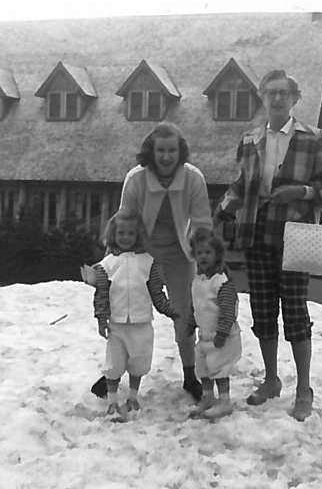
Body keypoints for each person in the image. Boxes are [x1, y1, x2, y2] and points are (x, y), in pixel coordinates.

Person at [214, 69, 322, 421]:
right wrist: (221, 212)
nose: (278, 99)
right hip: (257, 235)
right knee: (264, 313)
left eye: (284, 93)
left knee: (295, 313)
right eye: (271, 93)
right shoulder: (250, 140)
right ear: (262, 98)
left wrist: (301, 191)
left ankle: (303, 389)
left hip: (296, 237)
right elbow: (241, 186)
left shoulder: (313, 138)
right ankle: (271, 380)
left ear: (295, 98)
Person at [91, 122, 213, 401]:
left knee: (184, 314)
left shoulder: (194, 179)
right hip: (141, 253)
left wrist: (204, 252)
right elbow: (124, 221)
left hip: (180, 254)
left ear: (180, 151)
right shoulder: (136, 179)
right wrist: (112, 261)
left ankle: (190, 374)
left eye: (172, 150)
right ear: (151, 151)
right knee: (126, 312)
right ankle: (113, 371)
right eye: (161, 150)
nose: (167, 156)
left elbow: (203, 222)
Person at [92, 210, 179, 422]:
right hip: (117, 324)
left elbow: (157, 292)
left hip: (141, 322)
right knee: (114, 363)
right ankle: (112, 400)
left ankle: (132, 395)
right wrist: (102, 318)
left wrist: (170, 310)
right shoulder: (107, 265)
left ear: (138, 235)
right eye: (121, 233)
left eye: (130, 233)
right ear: (113, 234)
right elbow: (101, 294)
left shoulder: (149, 262)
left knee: (138, 361)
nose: (125, 237)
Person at [185, 227, 241, 420]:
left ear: (217, 254)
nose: (203, 256)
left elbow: (227, 310)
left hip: (221, 337)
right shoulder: (198, 281)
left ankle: (224, 401)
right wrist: (190, 325)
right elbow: (196, 306)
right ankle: (208, 397)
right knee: (203, 368)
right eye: (199, 253)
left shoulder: (221, 282)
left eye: (208, 252)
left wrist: (222, 333)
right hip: (204, 337)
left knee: (219, 369)